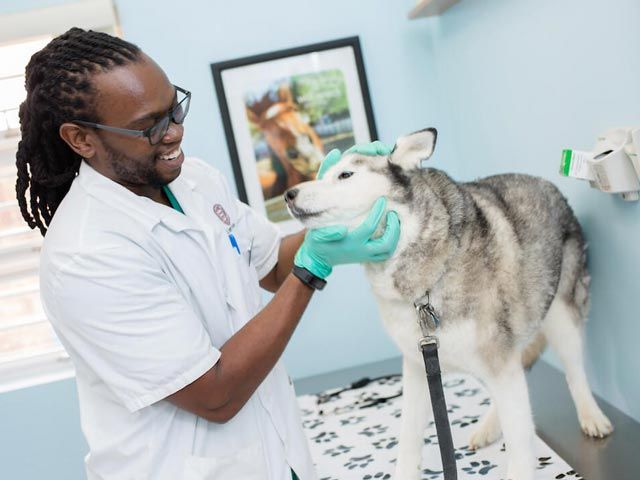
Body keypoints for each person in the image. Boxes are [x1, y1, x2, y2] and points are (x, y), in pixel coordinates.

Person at [16, 28, 400, 480]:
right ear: (81, 139)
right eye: (150, 126)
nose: (175, 132)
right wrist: (312, 269)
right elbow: (214, 395)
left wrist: (342, 201)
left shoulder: (193, 180)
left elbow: (274, 265)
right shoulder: (86, 255)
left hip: (276, 454)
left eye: (174, 109)